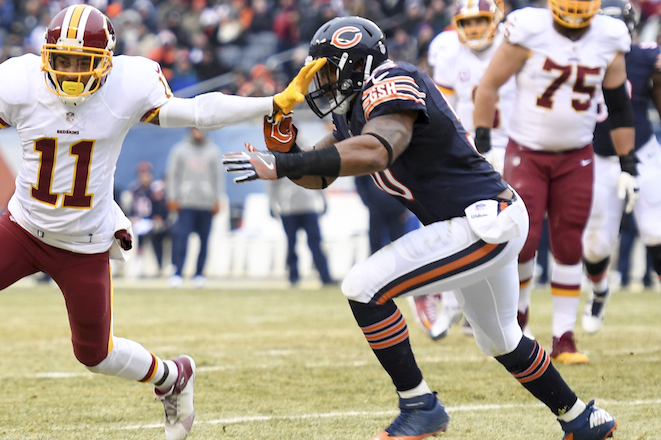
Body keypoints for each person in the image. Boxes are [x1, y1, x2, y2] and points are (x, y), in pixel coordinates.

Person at [0, 5, 326, 440]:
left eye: (85, 61)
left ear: (108, 60)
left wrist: (271, 102)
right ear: (45, 58)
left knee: (94, 355)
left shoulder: (129, 85)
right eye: (64, 60)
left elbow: (196, 111)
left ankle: (172, 374)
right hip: (21, 228)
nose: (74, 72)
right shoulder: (21, 82)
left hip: (83, 241)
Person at [224, 16, 617, 439]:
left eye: (326, 71)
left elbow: (377, 150)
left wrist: (284, 163)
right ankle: (580, 418)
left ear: (355, 65)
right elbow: (318, 176)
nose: (319, 82)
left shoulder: (393, 79)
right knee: (501, 339)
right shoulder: (351, 112)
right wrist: (284, 145)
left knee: (363, 286)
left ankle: (419, 404)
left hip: (481, 221)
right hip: (478, 222)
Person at [473, 0, 636, 364]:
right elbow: (489, 85)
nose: (574, 29)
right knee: (524, 240)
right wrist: (484, 144)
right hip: (527, 150)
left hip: (577, 152)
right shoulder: (529, 27)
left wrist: (629, 163)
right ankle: (517, 323)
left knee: (568, 240)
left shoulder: (610, 36)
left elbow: (619, 105)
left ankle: (564, 337)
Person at [424, 0, 515, 340]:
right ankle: (451, 302)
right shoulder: (448, 52)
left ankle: (504, 312)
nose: (475, 28)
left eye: (481, 20)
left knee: (506, 231)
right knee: (461, 228)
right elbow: (444, 110)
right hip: (470, 152)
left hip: (514, 146)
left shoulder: (515, 45)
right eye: (469, 21)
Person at [581, 0, 661, 333]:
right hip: (599, 157)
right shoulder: (578, 56)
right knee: (596, 245)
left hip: (643, 153)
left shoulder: (645, 56)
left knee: (656, 230)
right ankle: (599, 292)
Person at [165, 128, 225, 289]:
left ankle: (199, 274)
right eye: (194, 128)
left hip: (206, 203)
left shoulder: (214, 151)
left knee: (204, 241)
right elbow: (172, 174)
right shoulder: (180, 150)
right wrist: (172, 197)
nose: (198, 131)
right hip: (185, 203)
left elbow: (218, 177)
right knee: (182, 239)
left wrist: (218, 199)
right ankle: (177, 273)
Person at [266, 164, 334, 286]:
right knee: (291, 244)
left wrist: (323, 199)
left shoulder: (308, 154)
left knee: (316, 243)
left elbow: (319, 179)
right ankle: (293, 277)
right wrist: (272, 204)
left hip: (308, 206)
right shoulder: (279, 160)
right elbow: (272, 183)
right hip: (288, 208)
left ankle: (325, 277)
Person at [124, 160, 169, 277]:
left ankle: (159, 266)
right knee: (137, 233)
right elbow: (129, 209)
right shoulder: (134, 190)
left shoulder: (155, 190)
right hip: (138, 221)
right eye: (142, 174)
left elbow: (161, 208)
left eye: (146, 173)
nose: (144, 177)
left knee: (154, 233)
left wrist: (158, 218)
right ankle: (135, 266)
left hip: (151, 221)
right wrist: (132, 217)